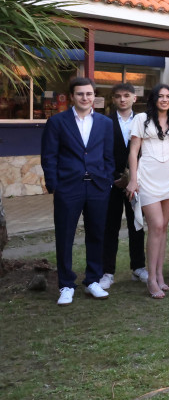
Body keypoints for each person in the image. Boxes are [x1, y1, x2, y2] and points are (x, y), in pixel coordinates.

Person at [41, 77, 115, 305]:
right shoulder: (57, 122)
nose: (85, 98)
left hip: (97, 187)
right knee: (65, 236)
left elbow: (108, 156)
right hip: (68, 187)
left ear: (95, 96)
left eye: (89, 94)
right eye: (81, 94)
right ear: (72, 96)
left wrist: (107, 180)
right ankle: (65, 284)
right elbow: (49, 156)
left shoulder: (104, 123)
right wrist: (54, 185)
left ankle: (92, 280)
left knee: (96, 234)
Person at [127, 83, 169, 299]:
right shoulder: (141, 119)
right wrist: (133, 179)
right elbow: (133, 151)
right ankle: (150, 279)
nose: (165, 99)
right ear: (154, 99)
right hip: (147, 175)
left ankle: (159, 275)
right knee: (155, 225)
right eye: (161, 96)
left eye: (168, 96)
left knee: (164, 227)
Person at [99, 82, 147, 290]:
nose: (122, 99)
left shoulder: (143, 121)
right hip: (112, 183)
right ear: (113, 99)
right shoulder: (104, 122)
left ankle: (138, 267)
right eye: (118, 96)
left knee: (136, 225)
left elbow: (146, 152)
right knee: (110, 227)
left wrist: (132, 177)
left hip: (135, 182)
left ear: (134, 98)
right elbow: (100, 153)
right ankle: (107, 272)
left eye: (126, 95)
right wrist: (114, 177)